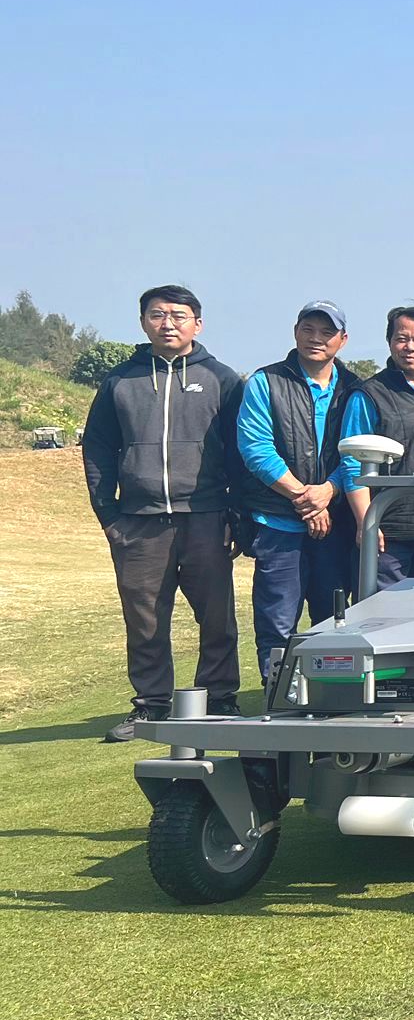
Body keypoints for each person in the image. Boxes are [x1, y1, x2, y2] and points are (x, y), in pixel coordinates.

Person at [81, 284, 243, 738]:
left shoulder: (223, 379)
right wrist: (109, 514)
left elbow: (240, 453)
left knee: (216, 616)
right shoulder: (119, 381)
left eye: (178, 315)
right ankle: (151, 704)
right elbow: (97, 447)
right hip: (139, 521)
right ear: (143, 322)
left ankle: (220, 699)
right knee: (145, 618)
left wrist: (236, 515)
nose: (167, 323)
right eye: (157, 314)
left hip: (206, 516)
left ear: (198, 323)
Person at [236, 300, 365, 679]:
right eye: (308, 329)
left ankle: (329, 695)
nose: (316, 338)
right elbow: (256, 448)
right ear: (295, 332)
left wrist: (329, 491)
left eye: (327, 332)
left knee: (333, 619)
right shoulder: (265, 381)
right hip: (278, 522)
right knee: (277, 621)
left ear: (343, 340)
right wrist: (305, 498)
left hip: (336, 523)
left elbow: (357, 453)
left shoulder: (355, 389)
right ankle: (279, 697)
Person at [335, 306, 414, 586]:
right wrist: (366, 522)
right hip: (387, 535)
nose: (409, 347)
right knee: (379, 612)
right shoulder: (370, 394)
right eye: (401, 338)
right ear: (389, 342)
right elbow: (352, 463)